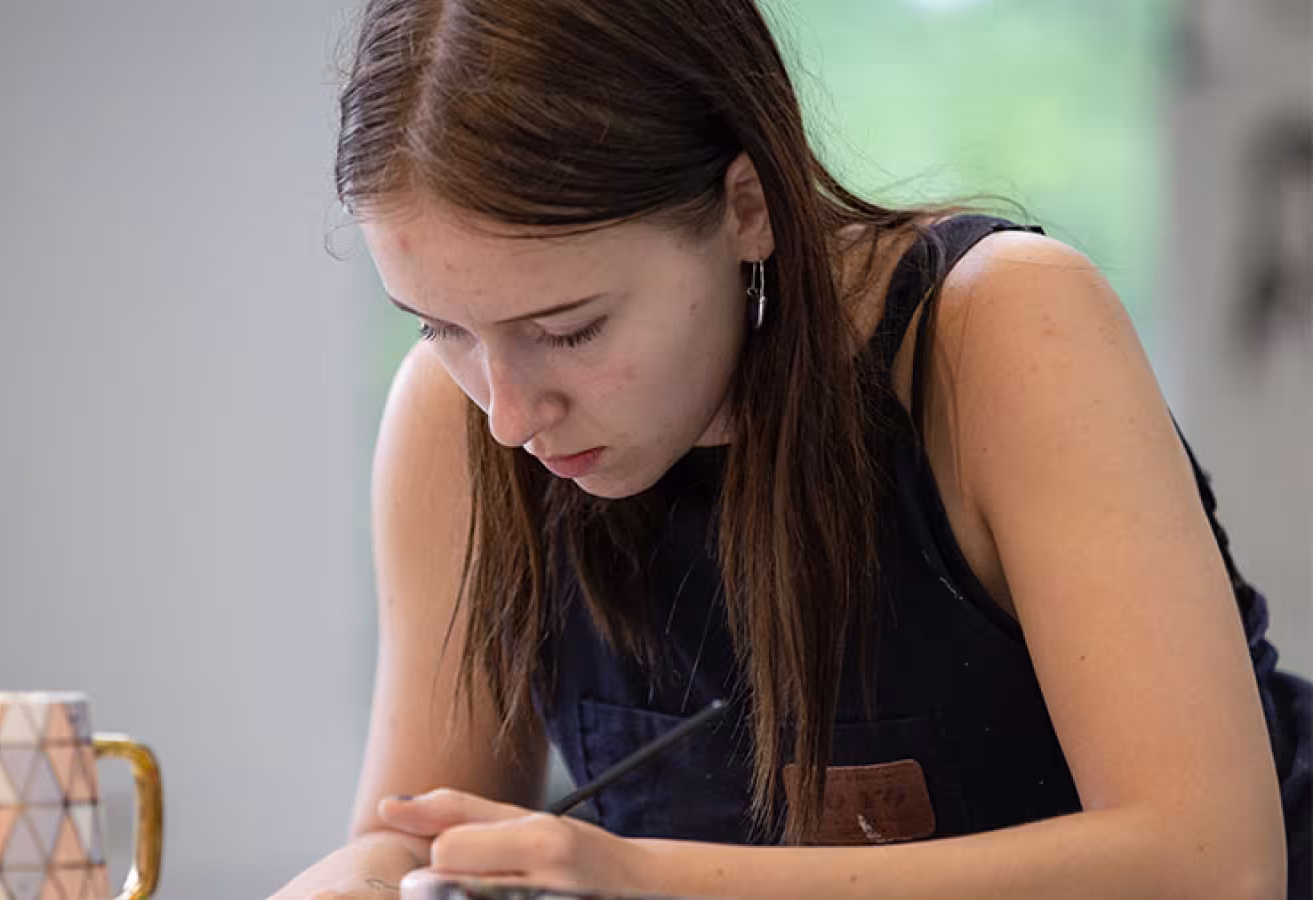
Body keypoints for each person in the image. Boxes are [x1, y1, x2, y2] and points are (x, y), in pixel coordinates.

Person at [272, 0, 1309, 896]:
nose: (506, 412)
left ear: (746, 208)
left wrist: (640, 877)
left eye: (569, 330)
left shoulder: (996, 332)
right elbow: (411, 843)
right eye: (436, 326)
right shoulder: (456, 422)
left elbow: (1211, 865)